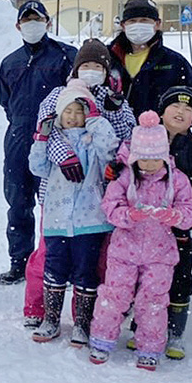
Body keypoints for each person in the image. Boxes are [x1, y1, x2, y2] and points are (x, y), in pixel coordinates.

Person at [22, 39, 135, 328]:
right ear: (76, 68)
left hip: (96, 194)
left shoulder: (112, 99)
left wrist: (116, 111)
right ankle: (38, 308)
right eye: (86, 66)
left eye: (98, 66)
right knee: (49, 255)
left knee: (94, 260)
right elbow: (47, 128)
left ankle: (86, 319)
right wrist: (64, 156)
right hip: (58, 191)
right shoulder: (60, 94)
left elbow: (124, 140)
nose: (91, 71)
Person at [88, 111, 192, 371]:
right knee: (114, 296)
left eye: (154, 159)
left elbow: (190, 213)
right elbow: (110, 207)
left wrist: (175, 216)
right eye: (143, 159)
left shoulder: (177, 181)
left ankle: (149, 347)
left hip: (160, 254)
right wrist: (127, 215)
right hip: (124, 251)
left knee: (154, 300)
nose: (149, 165)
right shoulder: (125, 178)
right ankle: (102, 339)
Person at [27, 81, 118, 346]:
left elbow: (109, 148)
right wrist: (41, 139)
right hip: (56, 219)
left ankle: (82, 324)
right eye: (68, 111)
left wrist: (96, 120)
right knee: (54, 268)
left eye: (79, 111)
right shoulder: (55, 143)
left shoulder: (93, 140)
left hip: (90, 222)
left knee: (85, 271)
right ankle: (51, 319)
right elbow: (37, 168)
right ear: (59, 114)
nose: (73, 116)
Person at [0, 0, 76, 284]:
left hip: (55, 138)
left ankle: (58, 264)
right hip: (18, 139)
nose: (32, 24)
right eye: (27, 20)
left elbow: (77, 96)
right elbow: (6, 103)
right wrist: (23, 124)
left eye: (37, 19)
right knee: (18, 201)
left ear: (48, 23)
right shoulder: (10, 62)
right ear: (18, 26)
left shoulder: (66, 56)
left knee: (57, 203)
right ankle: (20, 261)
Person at [156, 85, 192, 360]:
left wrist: (188, 218)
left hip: (179, 231)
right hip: (147, 230)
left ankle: (175, 332)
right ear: (161, 111)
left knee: (180, 279)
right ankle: (144, 325)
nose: (181, 112)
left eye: (188, 109)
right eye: (175, 107)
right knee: (148, 280)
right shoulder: (146, 140)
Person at [107, 0, 192, 129]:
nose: (138, 25)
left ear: (157, 24)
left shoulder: (173, 62)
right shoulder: (107, 58)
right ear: (123, 26)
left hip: (158, 141)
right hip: (112, 140)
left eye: (144, 20)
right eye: (132, 21)